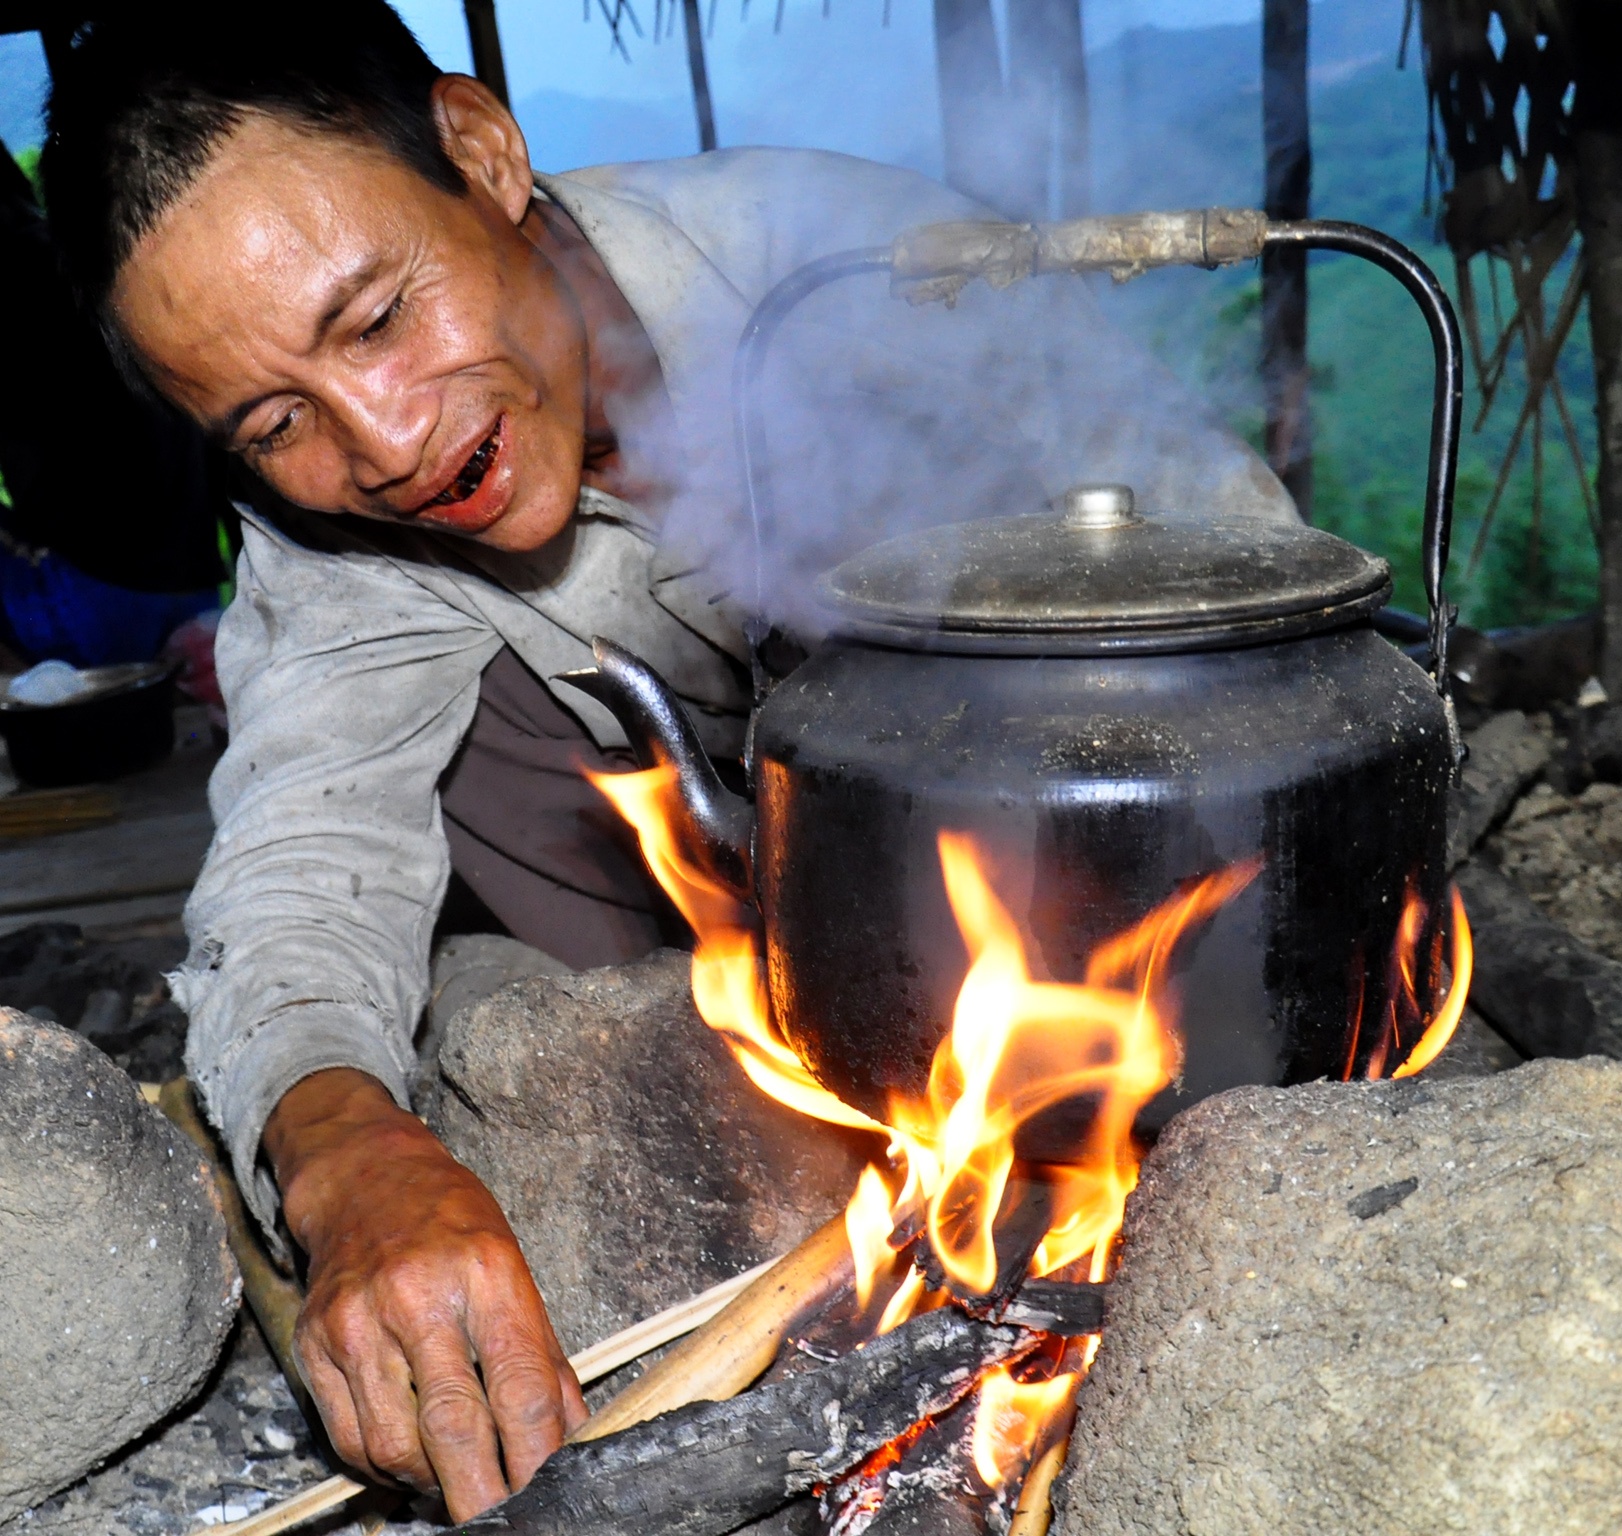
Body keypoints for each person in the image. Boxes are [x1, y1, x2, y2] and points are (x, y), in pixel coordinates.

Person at [40, 0, 1293, 1519]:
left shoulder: (860, 271)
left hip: (1043, 861)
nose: (380, 442)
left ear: (482, 152)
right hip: (694, 899)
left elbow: (1236, 556)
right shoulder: (335, 538)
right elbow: (300, 861)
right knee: (452, 725)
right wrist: (344, 1148)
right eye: (273, 421)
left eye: (373, 321)